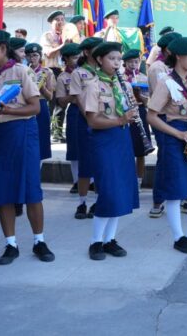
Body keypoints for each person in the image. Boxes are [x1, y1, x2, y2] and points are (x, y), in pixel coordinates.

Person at [0, 29, 55, 265]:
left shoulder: (21, 71)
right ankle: (11, 244)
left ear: (2, 49)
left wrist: (8, 110)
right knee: (2, 189)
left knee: (31, 189)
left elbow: (35, 107)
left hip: (22, 132)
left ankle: (39, 241)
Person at [146, 36, 187, 254]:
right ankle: (178, 237)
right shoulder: (166, 82)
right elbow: (151, 116)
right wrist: (178, 134)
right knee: (175, 188)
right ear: (179, 56)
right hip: (175, 136)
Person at [81, 42, 139, 260]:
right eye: (112, 59)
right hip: (103, 140)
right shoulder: (93, 86)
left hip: (122, 139)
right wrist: (120, 120)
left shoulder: (124, 85)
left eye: (118, 59)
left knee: (121, 189)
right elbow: (92, 120)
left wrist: (132, 111)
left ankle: (110, 239)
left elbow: (128, 112)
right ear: (99, 60)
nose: (116, 63)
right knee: (108, 190)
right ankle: (95, 241)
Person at [147, 32, 181, 218]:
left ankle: (182, 196)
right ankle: (158, 200)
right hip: (162, 118)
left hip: (180, 118)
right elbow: (162, 95)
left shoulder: (178, 65)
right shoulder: (158, 68)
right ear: (168, 49)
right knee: (165, 159)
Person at [69, 37, 103, 220]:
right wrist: (90, 117)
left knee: (100, 163)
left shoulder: (105, 71)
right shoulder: (79, 73)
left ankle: (99, 201)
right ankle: (82, 203)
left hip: (104, 121)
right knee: (85, 164)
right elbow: (78, 98)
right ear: (87, 52)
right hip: (85, 121)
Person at [121, 49, 153, 187]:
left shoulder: (143, 78)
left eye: (136, 62)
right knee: (126, 149)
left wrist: (140, 96)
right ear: (125, 63)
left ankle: (139, 181)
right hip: (125, 113)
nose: (133, 65)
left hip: (140, 111)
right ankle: (127, 180)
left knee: (140, 150)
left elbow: (149, 101)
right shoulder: (120, 77)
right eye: (130, 62)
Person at [55, 43, 82, 193]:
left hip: (90, 109)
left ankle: (92, 180)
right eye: (74, 58)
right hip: (75, 111)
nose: (77, 60)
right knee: (75, 148)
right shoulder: (63, 77)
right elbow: (61, 101)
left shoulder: (87, 72)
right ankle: (77, 180)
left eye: (79, 57)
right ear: (66, 59)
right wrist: (72, 95)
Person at [24, 43, 55, 162]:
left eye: (35, 55)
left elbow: (50, 97)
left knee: (42, 137)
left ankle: (38, 167)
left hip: (41, 104)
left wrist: (42, 88)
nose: (32, 58)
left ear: (40, 56)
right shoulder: (23, 71)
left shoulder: (47, 72)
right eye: (29, 56)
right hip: (26, 105)